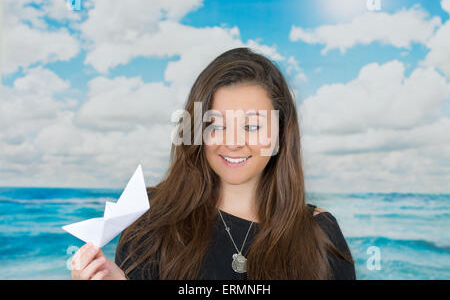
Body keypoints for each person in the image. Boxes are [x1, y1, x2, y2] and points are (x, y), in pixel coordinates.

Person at [71, 47, 356, 280]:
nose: (232, 143)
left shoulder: (319, 234)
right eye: (216, 125)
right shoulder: (150, 223)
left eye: (253, 126)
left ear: (280, 133)